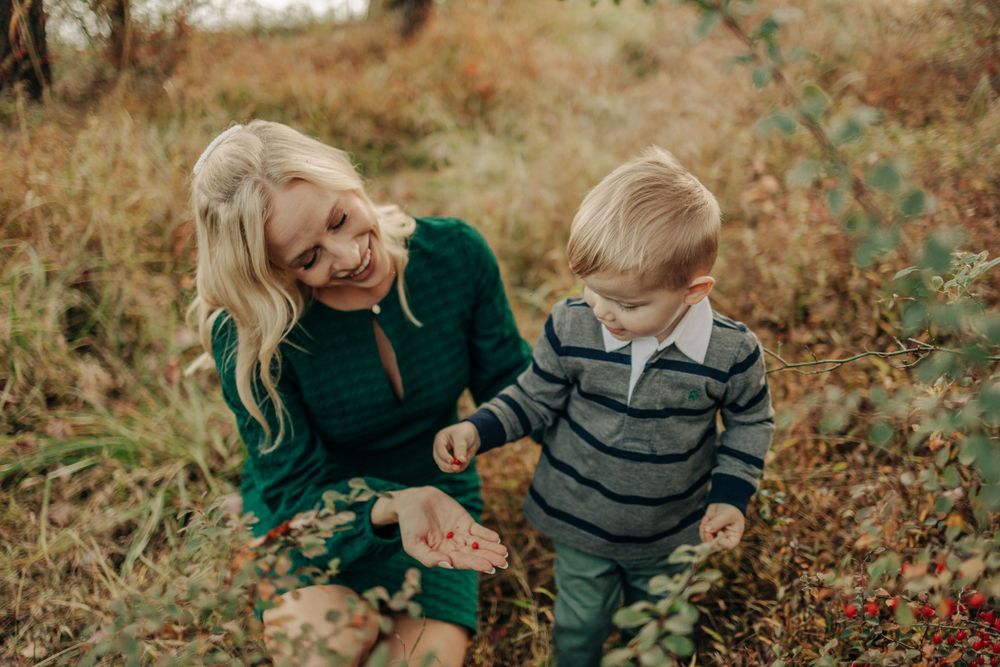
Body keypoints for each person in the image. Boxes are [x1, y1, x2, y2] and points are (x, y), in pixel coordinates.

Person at [187, 120, 532, 667]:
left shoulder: (455, 255)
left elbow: (513, 381)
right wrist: (392, 505)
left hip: (438, 505)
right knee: (334, 643)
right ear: (271, 271)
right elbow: (296, 487)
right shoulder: (252, 338)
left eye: (340, 219)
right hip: (314, 514)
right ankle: (248, 531)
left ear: (343, 177)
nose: (347, 256)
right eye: (308, 259)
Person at [432, 146, 775, 666]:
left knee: (656, 629)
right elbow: (535, 395)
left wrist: (731, 496)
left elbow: (750, 420)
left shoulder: (730, 353)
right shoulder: (572, 325)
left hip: (671, 528)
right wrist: (478, 430)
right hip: (581, 518)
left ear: (694, 291)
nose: (603, 311)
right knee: (579, 623)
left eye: (628, 303)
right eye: (591, 289)